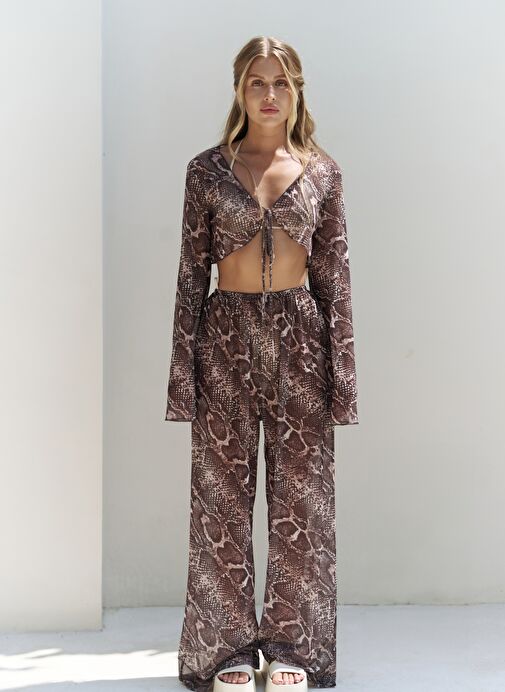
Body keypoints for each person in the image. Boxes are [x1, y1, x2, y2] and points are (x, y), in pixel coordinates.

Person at [165, 35, 359, 692]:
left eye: (281, 82)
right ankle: (225, 652)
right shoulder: (206, 172)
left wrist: (343, 383)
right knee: (219, 499)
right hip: (224, 337)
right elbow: (189, 278)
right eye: (257, 82)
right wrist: (182, 380)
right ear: (239, 90)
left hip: (301, 340)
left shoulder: (322, 173)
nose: (269, 95)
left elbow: (335, 281)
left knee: (301, 500)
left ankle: (292, 648)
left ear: (296, 90)